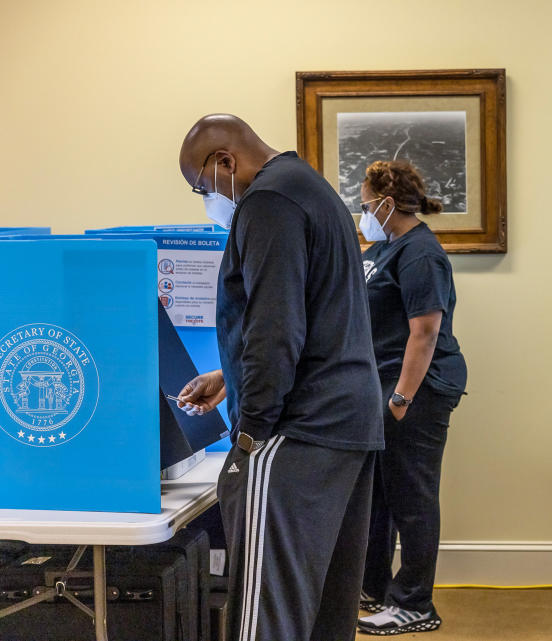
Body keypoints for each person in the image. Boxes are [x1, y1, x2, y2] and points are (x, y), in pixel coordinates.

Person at [175, 114, 383, 641]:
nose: (208, 198)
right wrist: (231, 372)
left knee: (267, 615)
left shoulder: (266, 203)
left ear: (225, 161)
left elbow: (276, 328)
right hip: (346, 421)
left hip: (298, 428)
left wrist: (250, 433)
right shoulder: (310, 187)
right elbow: (315, 313)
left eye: (201, 187)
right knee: (325, 612)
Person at [354, 160, 467, 635]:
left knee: (412, 499)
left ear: (385, 202)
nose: (361, 213)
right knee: (381, 497)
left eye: (364, 205)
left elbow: (424, 331)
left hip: (417, 389)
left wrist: (400, 400)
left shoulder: (420, 254)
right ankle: (375, 589)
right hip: (388, 385)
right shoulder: (388, 247)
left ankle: (415, 604)